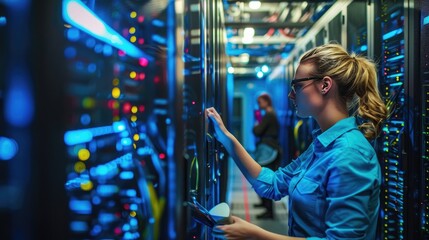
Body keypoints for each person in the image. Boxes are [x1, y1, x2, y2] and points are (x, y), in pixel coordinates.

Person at [206, 43, 388, 239]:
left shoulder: (350, 154)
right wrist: (226, 137)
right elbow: (273, 184)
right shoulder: (323, 144)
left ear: (325, 85)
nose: (291, 95)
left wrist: (255, 234)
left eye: (297, 86)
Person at [252, 93, 281, 219]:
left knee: (265, 178)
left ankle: (269, 211)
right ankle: (265, 205)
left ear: (266, 102)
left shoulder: (269, 115)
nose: (259, 105)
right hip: (268, 147)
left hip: (268, 149)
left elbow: (257, 131)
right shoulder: (270, 114)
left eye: (260, 102)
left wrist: (256, 125)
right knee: (263, 176)